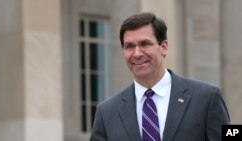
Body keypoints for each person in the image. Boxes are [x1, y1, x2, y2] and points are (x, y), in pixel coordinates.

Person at [90, 12, 230, 141]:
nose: (137, 53)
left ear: (163, 47)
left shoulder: (207, 98)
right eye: (129, 46)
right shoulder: (107, 113)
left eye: (145, 44)